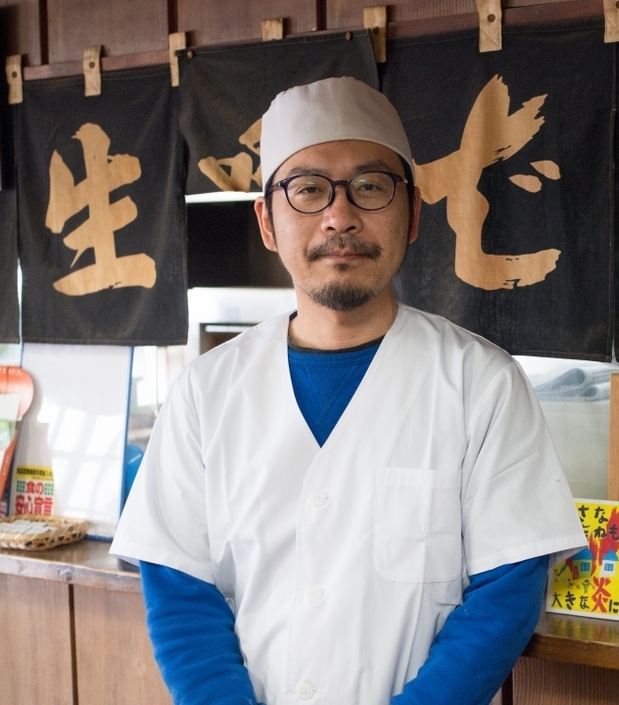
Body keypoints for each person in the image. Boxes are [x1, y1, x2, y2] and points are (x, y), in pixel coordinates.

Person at [111, 76, 587, 705]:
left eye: (370, 186)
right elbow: (179, 586)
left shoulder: (483, 384)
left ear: (413, 214)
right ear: (267, 221)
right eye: (307, 189)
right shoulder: (206, 391)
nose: (340, 215)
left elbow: (508, 588)